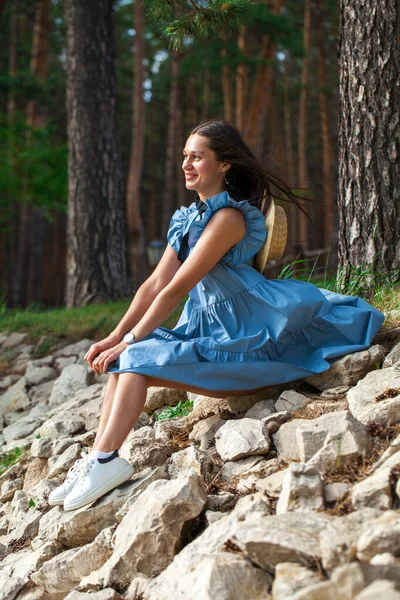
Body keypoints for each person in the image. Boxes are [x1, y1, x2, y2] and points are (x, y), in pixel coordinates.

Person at [48, 119, 385, 511]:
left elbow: (178, 288)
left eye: (198, 157)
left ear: (224, 164)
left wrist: (131, 340)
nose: (187, 165)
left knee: (134, 356)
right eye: (185, 156)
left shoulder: (228, 218)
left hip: (246, 333)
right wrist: (116, 336)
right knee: (125, 357)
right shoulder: (190, 219)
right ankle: (97, 457)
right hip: (210, 326)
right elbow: (154, 285)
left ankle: (106, 460)